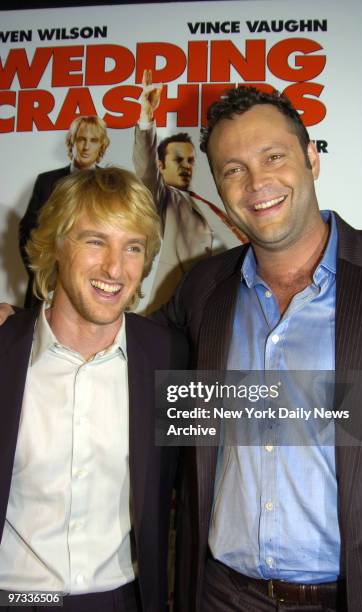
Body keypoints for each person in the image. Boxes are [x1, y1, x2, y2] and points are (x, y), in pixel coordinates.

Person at [154, 86, 362, 611]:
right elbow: (126, 349)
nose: (256, 183)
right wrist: (23, 322)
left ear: (311, 159)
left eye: (274, 157)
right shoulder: (202, 287)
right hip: (223, 593)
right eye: (233, 169)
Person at [0, 167, 188, 612]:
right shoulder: (5, 350)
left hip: (123, 599)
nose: (114, 268)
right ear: (56, 246)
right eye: (95, 241)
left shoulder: (170, 357)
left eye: (133, 247)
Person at [133, 69, 246, 314]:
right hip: (181, 307)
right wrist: (146, 117)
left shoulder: (214, 202)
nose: (186, 165)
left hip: (230, 306)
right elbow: (145, 172)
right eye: (178, 160)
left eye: (190, 160)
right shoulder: (163, 198)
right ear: (161, 166)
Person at [19, 115, 110, 308]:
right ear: (71, 141)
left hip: (95, 287)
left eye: (93, 141)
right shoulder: (46, 181)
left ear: (101, 146)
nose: (86, 147)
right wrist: (41, 272)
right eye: (81, 139)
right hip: (45, 289)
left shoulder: (111, 185)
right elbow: (27, 231)